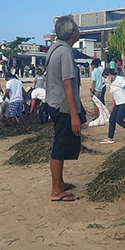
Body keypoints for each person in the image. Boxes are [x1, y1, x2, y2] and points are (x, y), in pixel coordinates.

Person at [46, 15, 84, 202]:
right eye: (77, 28)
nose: (79, 31)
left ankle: (59, 183)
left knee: (60, 145)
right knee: (59, 147)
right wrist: (74, 116)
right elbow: (67, 85)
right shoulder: (66, 53)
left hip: (54, 104)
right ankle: (56, 191)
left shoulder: (54, 49)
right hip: (62, 107)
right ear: (72, 33)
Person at [100, 68, 125, 144]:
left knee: (119, 120)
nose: (106, 79)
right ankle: (110, 138)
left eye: (106, 77)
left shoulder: (119, 79)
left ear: (109, 75)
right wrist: (113, 107)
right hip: (118, 103)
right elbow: (114, 96)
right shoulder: (111, 83)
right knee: (112, 119)